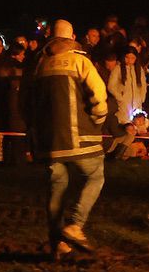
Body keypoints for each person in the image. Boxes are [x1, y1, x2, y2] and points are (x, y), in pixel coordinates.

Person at [23, 18, 110, 258]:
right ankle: (75, 225)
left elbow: (25, 103)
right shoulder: (80, 60)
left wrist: (34, 129)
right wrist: (97, 119)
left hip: (49, 142)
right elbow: (99, 94)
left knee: (56, 189)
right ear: (73, 38)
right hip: (80, 138)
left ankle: (56, 243)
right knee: (95, 176)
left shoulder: (37, 64)